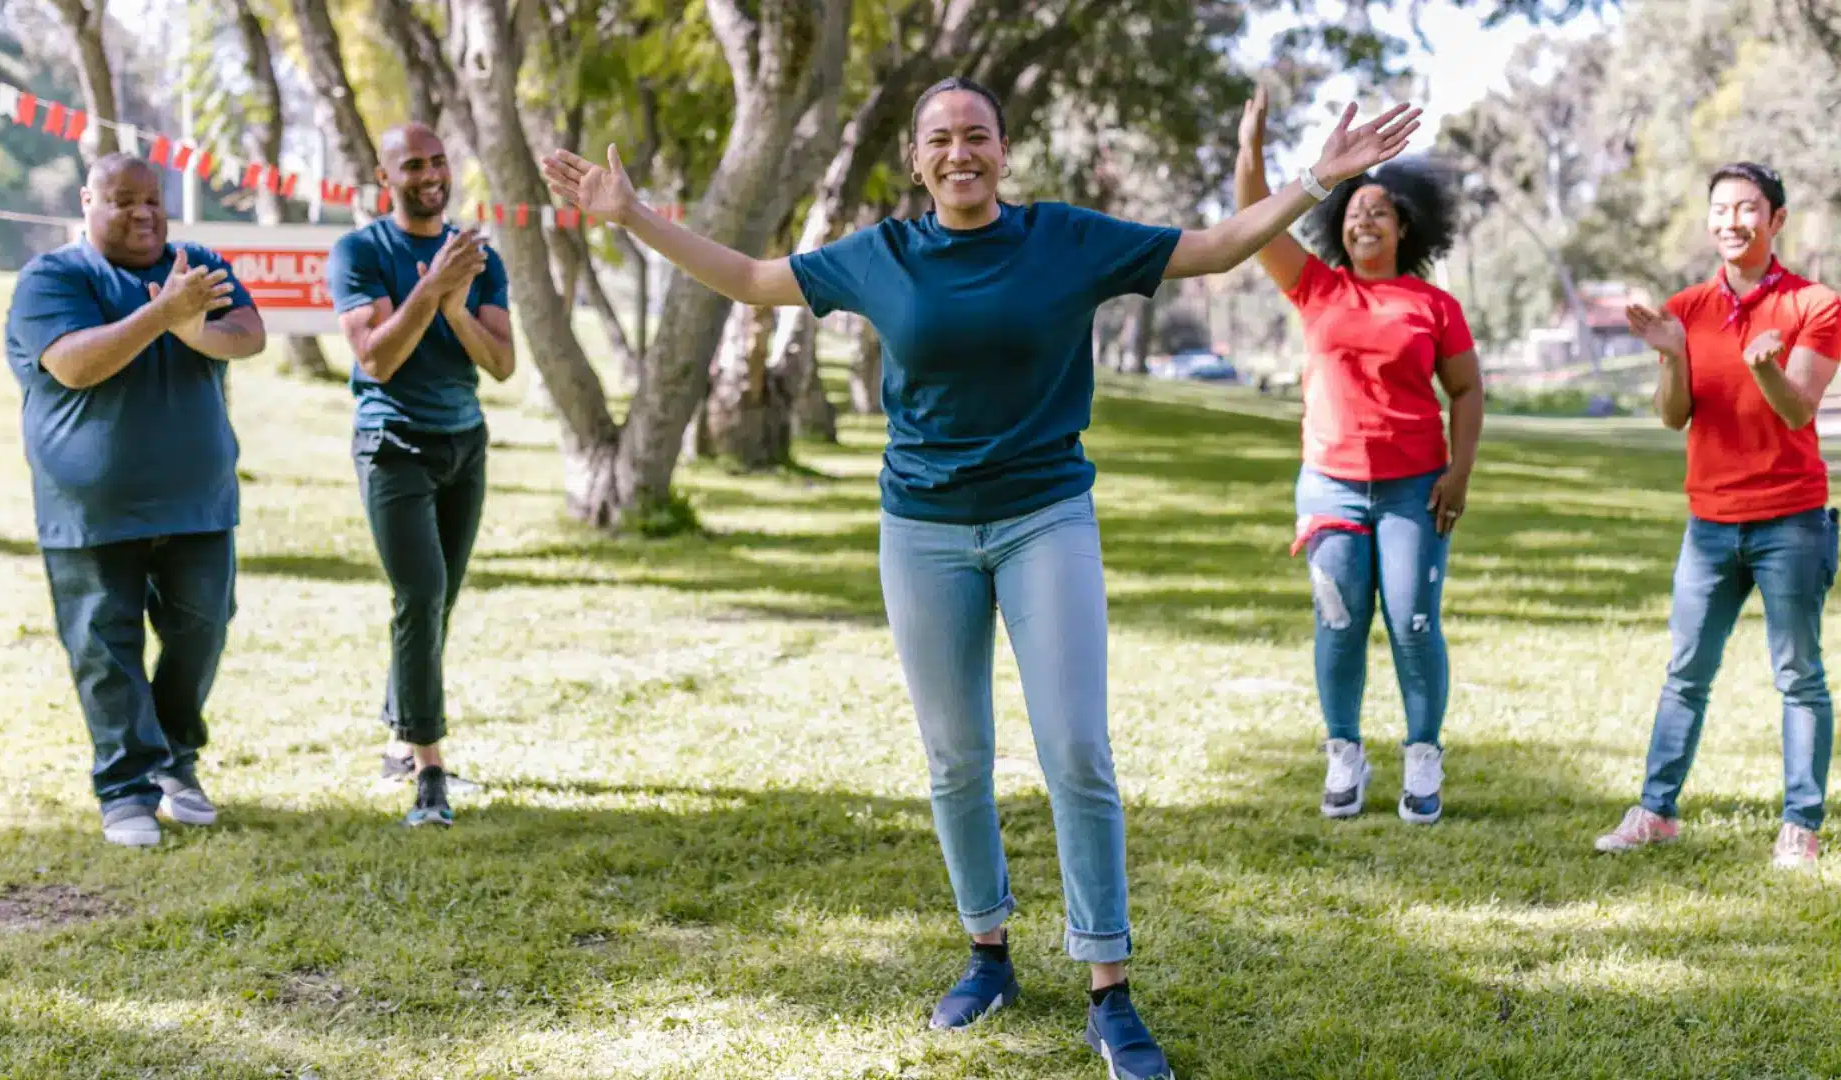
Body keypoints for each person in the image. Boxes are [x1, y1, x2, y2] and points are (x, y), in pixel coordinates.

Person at [542, 76, 1418, 1079]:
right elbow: (747, 277)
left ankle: (1110, 990)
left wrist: (1317, 179)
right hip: (923, 530)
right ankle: (987, 953)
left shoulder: (1065, 239)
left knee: (1076, 748)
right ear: (917, 160)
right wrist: (633, 215)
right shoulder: (882, 255)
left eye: (977, 136)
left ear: (1004, 151)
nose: (960, 152)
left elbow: (1215, 248)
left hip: (1046, 516)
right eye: (940, 139)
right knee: (956, 758)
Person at [1234, 85, 1483, 825]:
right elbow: (1252, 217)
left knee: (1412, 623)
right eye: (1353, 211)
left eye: (1379, 210)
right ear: (1336, 227)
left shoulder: (1434, 307)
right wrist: (1251, 149)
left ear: (1405, 227)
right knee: (1339, 625)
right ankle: (1344, 752)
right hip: (1331, 489)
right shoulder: (1315, 286)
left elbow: (1466, 391)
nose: (1364, 219)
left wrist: (1459, 473)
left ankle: (1423, 753)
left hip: (1414, 489)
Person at [3, 153, 266, 847]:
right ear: (87, 201)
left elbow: (249, 334)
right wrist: (164, 314)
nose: (144, 214)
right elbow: (74, 363)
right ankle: (125, 788)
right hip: (91, 510)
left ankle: (175, 758)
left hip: (197, 500)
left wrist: (193, 327)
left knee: (202, 627)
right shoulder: (53, 278)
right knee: (105, 645)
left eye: (153, 200)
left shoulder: (195, 264)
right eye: (124, 201)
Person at [1596, 162, 1841, 870]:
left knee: (1798, 675)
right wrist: (1674, 355)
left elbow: (1797, 409)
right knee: (1685, 673)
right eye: (1721, 208)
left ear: (1777, 219)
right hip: (1708, 525)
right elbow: (1672, 415)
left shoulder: (1816, 304)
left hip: (1791, 522)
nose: (1732, 221)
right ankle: (1656, 812)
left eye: (1748, 208)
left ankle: (1800, 824)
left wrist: (1765, 367)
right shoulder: (1686, 307)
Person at [327, 123, 516, 829]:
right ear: (385, 177)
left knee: (436, 603)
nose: (431, 175)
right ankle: (430, 771)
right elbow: (377, 358)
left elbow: (501, 363)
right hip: (392, 443)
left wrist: (456, 307)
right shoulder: (360, 252)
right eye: (413, 165)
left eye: (438, 162)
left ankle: (399, 741)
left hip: (464, 443)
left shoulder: (477, 257)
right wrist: (431, 287)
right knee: (421, 593)